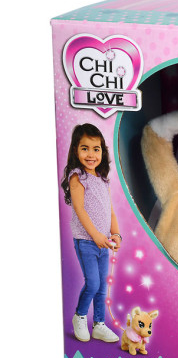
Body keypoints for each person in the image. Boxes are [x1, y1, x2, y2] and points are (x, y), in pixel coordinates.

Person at [61, 124, 122, 342]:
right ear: (76, 150)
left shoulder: (103, 180)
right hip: (86, 241)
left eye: (96, 149)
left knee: (102, 286)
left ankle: (99, 324)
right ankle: (79, 316)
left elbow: (110, 211)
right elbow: (80, 209)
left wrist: (116, 234)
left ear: (102, 152)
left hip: (103, 243)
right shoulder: (77, 176)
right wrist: (96, 235)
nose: (91, 154)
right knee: (93, 283)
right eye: (84, 148)